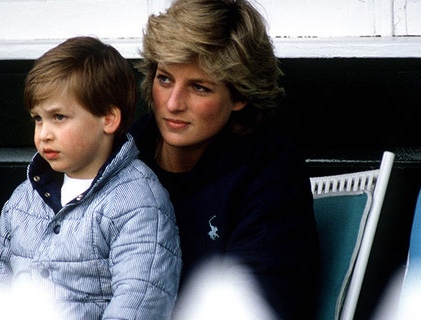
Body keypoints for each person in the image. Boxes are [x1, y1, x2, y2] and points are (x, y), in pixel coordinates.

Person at [0, 36, 182, 319]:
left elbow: (140, 300)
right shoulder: (25, 198)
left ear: (108, 119)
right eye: (38, 119)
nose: (44, 133)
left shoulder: (138, 202)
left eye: (59, 117)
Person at [130, 0, 320, 319]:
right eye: (165, 79)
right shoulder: (122, 154)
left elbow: (254, 302)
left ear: (239, 96)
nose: (173, 103)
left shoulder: (271, 173)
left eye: (199, 87)